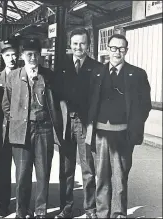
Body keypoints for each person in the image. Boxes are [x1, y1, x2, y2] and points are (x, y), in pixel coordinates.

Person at [85, 34, 151, 218]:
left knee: (120, 177)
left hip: (123, 134)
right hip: (100, 133)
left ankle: (118, 213)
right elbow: (89, 101)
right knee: (102, 176)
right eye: (113, 48)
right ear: (107, 49)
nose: (117, 52)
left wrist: (134, 126)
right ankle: (102, 212)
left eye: (121, 48)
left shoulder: (137, 74)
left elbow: (145, 104)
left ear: (126, 51)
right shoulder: (97, 73)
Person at [2, 38, 64, 218]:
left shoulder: (49, 76)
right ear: (22, 56)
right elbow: (6, 104)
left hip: (43, 129)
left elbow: (56, 102)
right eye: (29, 54)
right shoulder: (13, 76)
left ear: (40, 56)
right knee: (22, 175)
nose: (32, 57)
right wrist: (16, 122)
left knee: (43, 173)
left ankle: (40, 211)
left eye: (36, 54)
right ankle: (21, 211)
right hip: (21, 131)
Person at [53, 28, 102, 219]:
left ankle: (90, 209)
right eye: (75, 43)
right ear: (70, 45)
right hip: (66, 123)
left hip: (85, 125)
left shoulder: (97, 68)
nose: (78, 47)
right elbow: (55, 97)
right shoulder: (62, 67)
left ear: (88, 45)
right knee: (66, 169)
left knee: (88, 169)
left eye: (82, 43)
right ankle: (66, 207)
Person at [0, 39, 19, 217]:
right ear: (2, 57)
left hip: (21, 131)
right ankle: (3, 205)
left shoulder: (23, 75)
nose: (11, 58)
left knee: (22, 170)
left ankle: (22, 205)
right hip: (2, 132)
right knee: (3, 170)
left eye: (14, 55)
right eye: (8, 55)